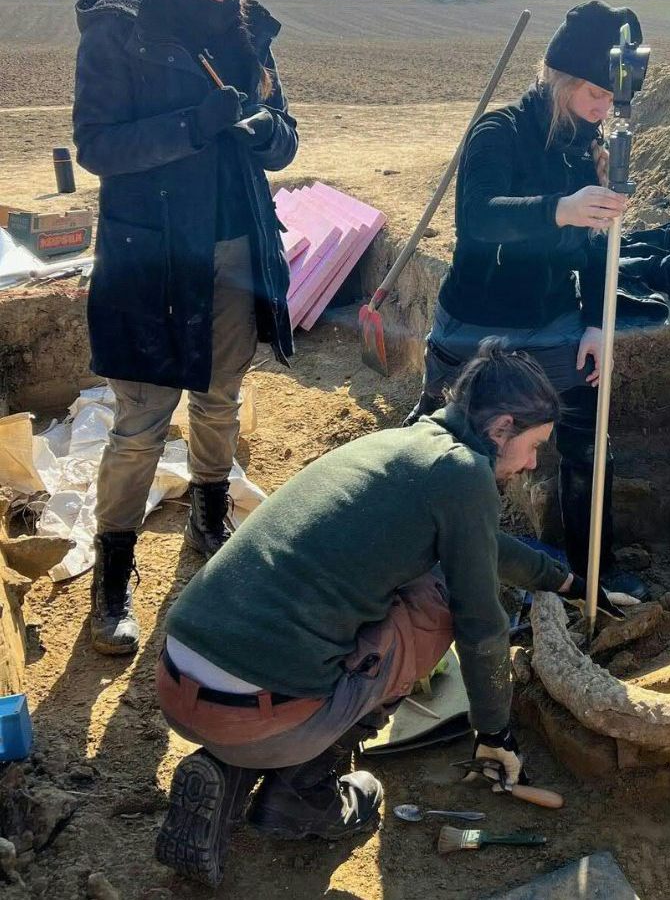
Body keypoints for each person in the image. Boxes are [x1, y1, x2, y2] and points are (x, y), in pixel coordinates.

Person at [152, 341, 625, 886]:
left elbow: (483, 542)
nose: (531, 464)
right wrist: (494, 731)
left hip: (179, 677)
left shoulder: (410, 444)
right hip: (260, 711)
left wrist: (561, 579)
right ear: (501, 428)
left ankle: (231, 767)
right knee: (440, 603)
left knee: (384, 597)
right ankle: (302, 792)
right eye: (534, 446)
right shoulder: (465, 474)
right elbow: (482, 628)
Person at [72, 0, 297, 656]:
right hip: (152, 255)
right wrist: (189, 126)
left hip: (235, 244)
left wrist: (268, 133)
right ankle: (113, 576)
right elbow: (97, 146)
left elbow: (287, 132)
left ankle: (208, 514)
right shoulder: (120, 30)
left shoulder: (248, 29)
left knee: (222, 392)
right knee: (139, 422)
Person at [403, 0, 649, 601]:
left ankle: (592, 568)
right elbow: (478, 220)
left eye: (610, 98)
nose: (602, 108)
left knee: (590, 439)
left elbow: (597, 248)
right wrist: (558, 209)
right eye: (594, 93)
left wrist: (596, 322)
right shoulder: (499, 133)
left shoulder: (588, 147)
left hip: (554, 322)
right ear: (561, 78)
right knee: (464, 449)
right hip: (478, 322)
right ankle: (423, 564)